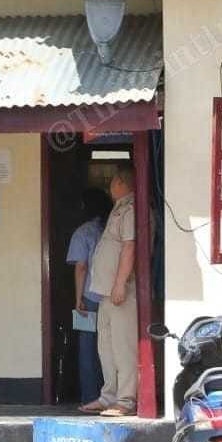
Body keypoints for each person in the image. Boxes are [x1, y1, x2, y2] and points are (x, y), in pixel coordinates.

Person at [80, 163, 138, 417]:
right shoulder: (119, 209)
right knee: (106, 347)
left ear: (121, 183)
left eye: (113, 181)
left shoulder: (131, 210)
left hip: (120, 292)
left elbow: (129, 247)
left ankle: (125, 400)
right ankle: (108, 396)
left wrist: (119, 284)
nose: (110, 186)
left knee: (124, 347)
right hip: (105, 293)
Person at [66, 188, 112, 405]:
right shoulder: (110, 229)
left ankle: (90, 397)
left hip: (89, 299)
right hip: (112, 297)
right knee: (111, 347)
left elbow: (81, 267)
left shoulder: (83, 232)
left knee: (87, 348)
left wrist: (78, 299)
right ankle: (111, 395)